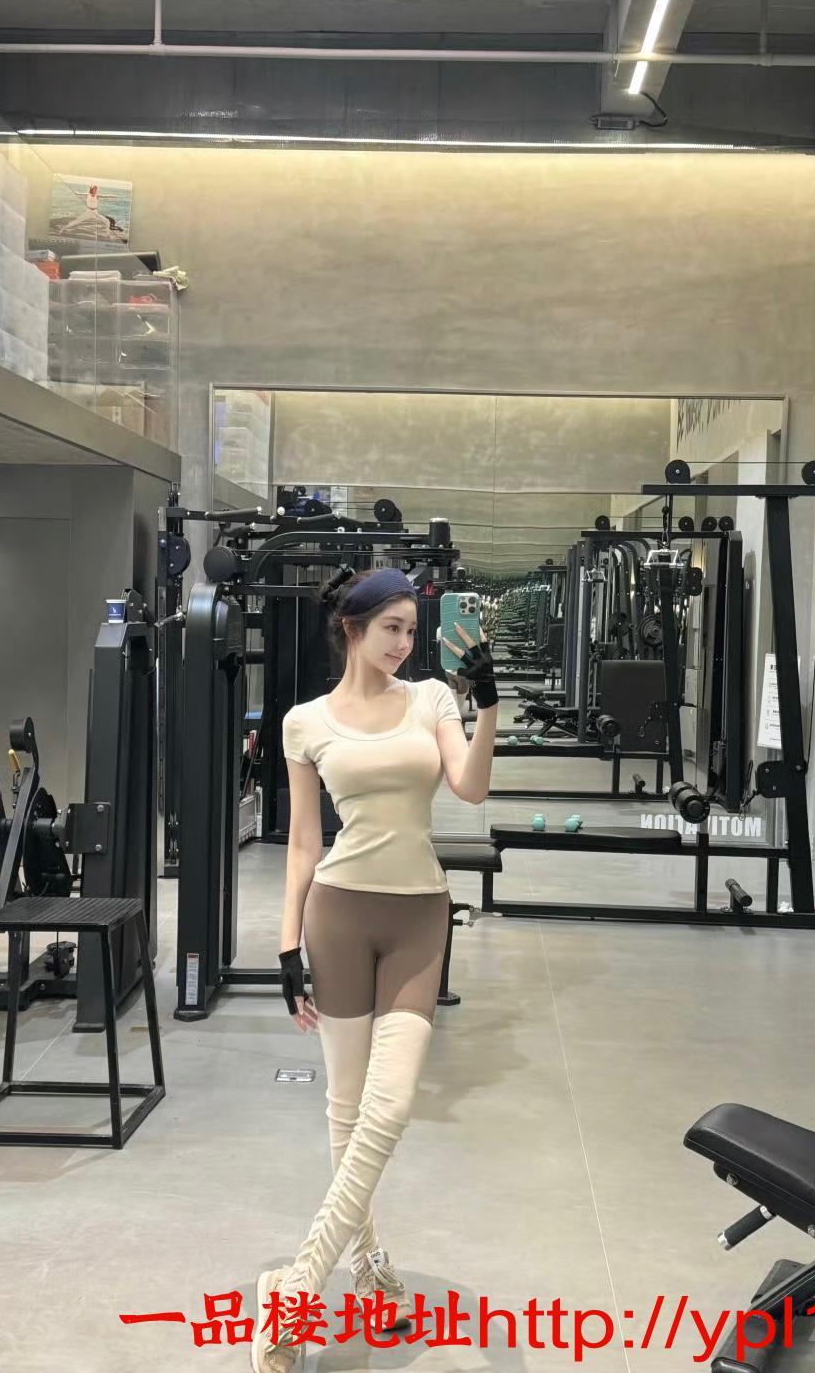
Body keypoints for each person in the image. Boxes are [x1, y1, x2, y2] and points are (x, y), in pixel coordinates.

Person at [251, 566, 498, 1372]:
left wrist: (487, 705)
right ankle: (367, 1266)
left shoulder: (430, 701)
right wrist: (286, 944)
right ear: (351, 629)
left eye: (411, 630)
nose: (404, 643)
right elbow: (303, 843)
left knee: (387, 1107)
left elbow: (470, 788)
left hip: (419, 915)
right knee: (346, 1108)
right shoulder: (304, 722)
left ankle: (296, 1285)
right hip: (339, 916)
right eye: (391, 627)